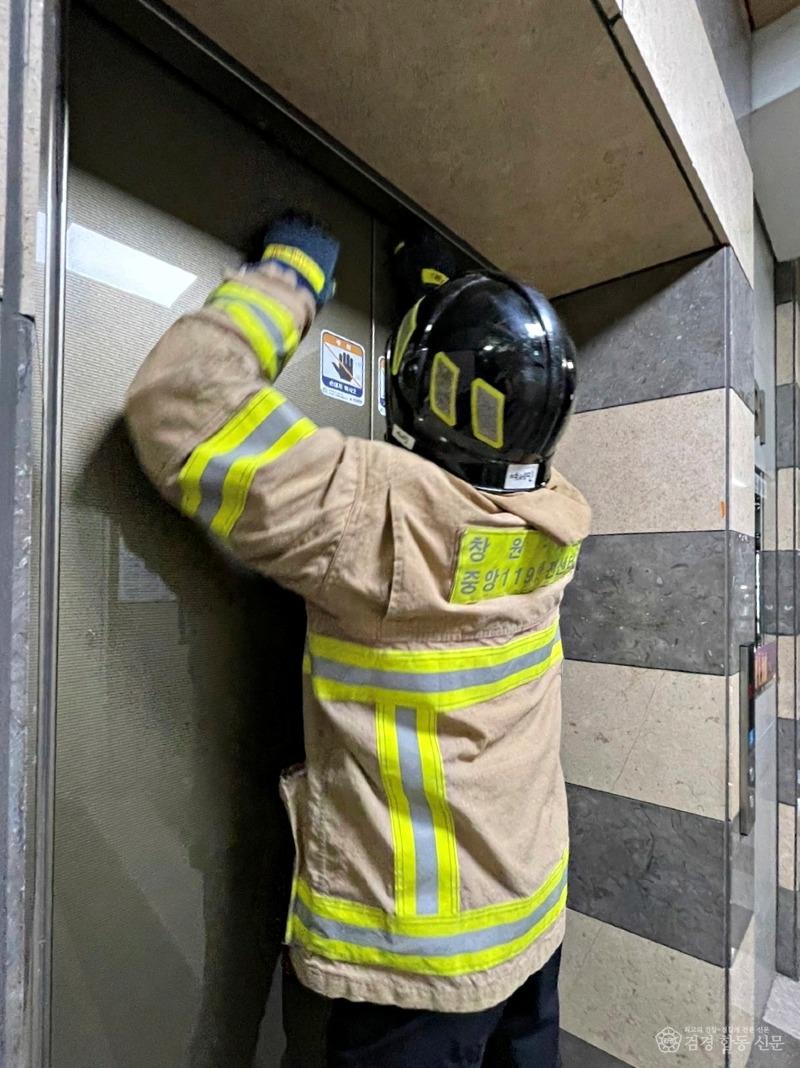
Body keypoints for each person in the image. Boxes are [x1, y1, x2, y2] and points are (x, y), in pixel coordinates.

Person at [125, 212, 590, 1067]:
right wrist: (440, 308)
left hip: (419, 970)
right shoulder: (556, 518)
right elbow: (494, 442)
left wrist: (288, 280)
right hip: (529, 917)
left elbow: (181, 407)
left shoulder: (379, 512)